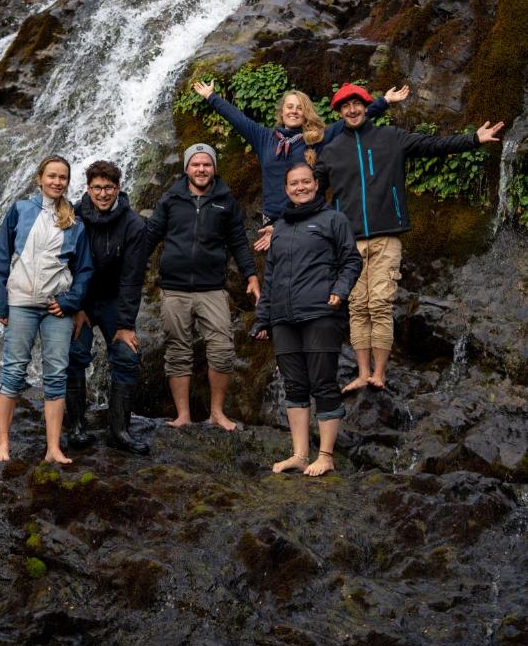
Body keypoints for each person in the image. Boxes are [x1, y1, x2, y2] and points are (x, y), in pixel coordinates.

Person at [314, 83, 504, 392]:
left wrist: (473, 139)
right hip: (348, 242)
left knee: (379, 304)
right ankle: (362, 373)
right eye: (345, 106)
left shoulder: (391, 137)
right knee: (357, 307)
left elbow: (432, 145)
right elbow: (311, 193)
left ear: (366, 106)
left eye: (357, 104)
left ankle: (379, 374)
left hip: (386, 236)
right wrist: (284, 223)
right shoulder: (331, 151)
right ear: (339, 112)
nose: (352, 110)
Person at [192, 80, 409, 250]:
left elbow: (351, 118)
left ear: (306, 113)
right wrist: (211, 96)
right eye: (289, 107)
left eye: (299, 108)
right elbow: (237, 118)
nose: (294, 111)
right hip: (271, 221)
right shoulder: (263, 137)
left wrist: (384, 101)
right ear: (282, 112)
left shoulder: (317, 138)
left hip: (307, 216)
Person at [252, 162, 362, 476]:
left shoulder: (333, 219)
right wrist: (262, 319)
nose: (300, 187)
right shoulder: (281, 227)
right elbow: (270, 276)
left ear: (315, 185)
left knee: (323, 383)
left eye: (305, 182)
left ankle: (325, 456)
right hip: (283, 318)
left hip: (320, 313)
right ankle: (300, 455)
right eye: (294, 183)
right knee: (294, 385)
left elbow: (352, 260)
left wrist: (340, 290)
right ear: (286, 189)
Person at [145, 142, 261, 430]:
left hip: (212, 288)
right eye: (195, 164)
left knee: (222, 349)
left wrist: (251, 275)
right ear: (187, 168)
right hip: (174, 288)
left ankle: (217, 413)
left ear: (214, 168)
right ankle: (183, 415)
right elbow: (150, 237)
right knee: (177, 351)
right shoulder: (170, 199)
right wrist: (131, 273)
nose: (201, 169)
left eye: (206, 164)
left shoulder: (225, 201)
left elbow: (238, 242)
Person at [0, 155, 93, 464]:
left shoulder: (74, 221)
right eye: (52, 176)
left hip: (56, 308)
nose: (57, 182)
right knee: (13, 372)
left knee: (56, 375)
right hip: (21, 303)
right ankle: (3, 444)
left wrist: (70, 302)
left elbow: (84, 269)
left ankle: (53, 448)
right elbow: (2, 256)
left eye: (63, 177)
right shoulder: (20, 210)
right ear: (39, 178)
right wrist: (0, 300)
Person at [67, 160, 149, 455]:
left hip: (115, 300)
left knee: (126, 356)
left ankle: (119, 431)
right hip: (83, 300)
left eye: (109, 188)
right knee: (74, 353)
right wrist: (77, 307)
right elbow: (67, 265)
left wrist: (126, 324)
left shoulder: (134, 225)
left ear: (118, 188)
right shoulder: (74, 216)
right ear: (88, 188)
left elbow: (132, 278)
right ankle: (76, 427)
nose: (103, 194)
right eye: (97, 188)